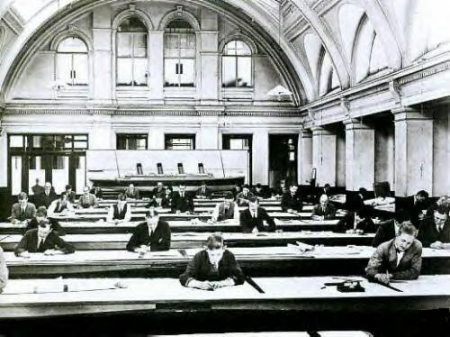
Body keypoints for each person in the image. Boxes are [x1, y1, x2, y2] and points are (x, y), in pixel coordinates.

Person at [179, 234, 245, 290]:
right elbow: (184, 277)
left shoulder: (228, 256)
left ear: (224, 249)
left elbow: (240, 276)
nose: (215, 258)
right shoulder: (199, 256)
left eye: (218, 254)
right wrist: (199, 284)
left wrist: (224, 283)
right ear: (206, 249)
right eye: (212, 255)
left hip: (223, 291)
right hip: (202, 291)